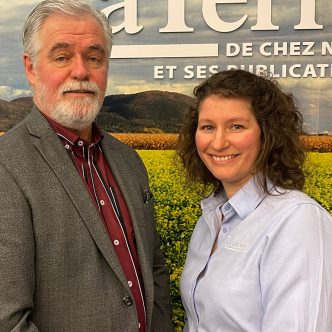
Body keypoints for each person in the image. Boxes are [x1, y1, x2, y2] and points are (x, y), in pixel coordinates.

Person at [0, 1, 172, 331]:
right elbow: (8, 320)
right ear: (31, 68)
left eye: (94, 57)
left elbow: (153, 269)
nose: (81, 71)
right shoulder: (7, 165)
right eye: (62, 56)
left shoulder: (128, 160)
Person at [177, 69, 332, 331]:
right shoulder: (210, 220)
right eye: (208, 127)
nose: (219, 142)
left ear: (267, 134)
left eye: (236, 126)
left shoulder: (297, 221)